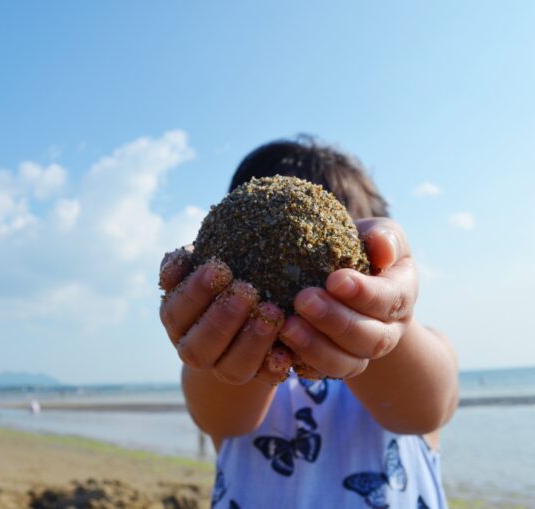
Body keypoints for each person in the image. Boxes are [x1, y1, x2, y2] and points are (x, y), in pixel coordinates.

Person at [158, 137, 459, 508]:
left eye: (350, 221)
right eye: (260, 217)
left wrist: (384, 327)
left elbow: (424, 409)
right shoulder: (236, 373)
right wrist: (214, 323)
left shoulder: (415, 350)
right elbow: (220, 416)